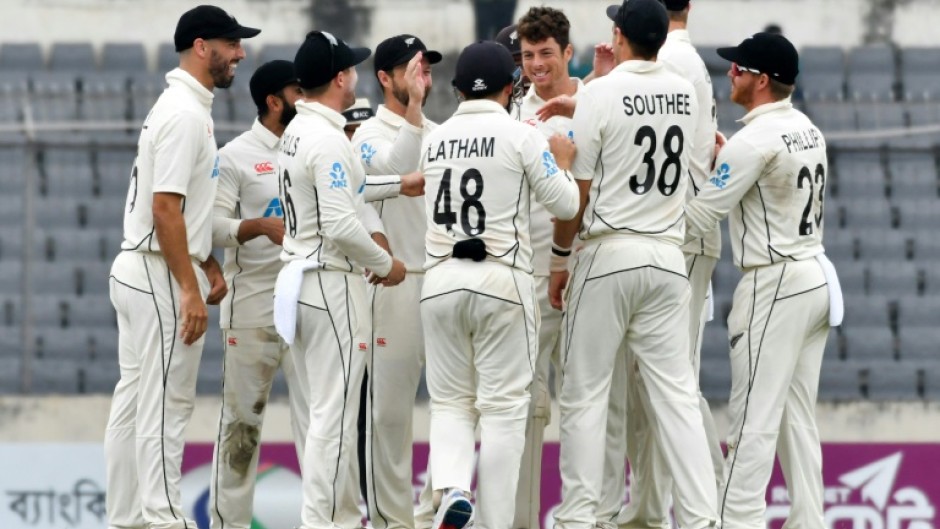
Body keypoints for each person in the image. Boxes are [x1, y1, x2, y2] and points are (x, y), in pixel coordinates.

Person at [549, 2, 719, 529]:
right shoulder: (685, 89)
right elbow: (699, 166)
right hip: (668, 255)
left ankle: (579, 515)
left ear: (619, 35)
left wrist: (559, 258)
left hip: (610, 250)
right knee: (676, 396)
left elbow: (576, 189)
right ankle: (700, 516)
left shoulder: (598, 92)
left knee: (585, 392)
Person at [104, 5, 258, 529]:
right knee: (167, 402)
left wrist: (207, 260)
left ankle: (128, 518)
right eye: (231, 43)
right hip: (156, 273)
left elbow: (179, 208)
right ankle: (165, 517)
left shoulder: (184, 106)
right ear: (201, 47)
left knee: (133, 402)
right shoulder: (185, 114)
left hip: (143, 266)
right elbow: (165, 208)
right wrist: (189, 287)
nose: (240, 52)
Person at [683, 32, 841, 529]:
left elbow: (699, 217)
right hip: (814, 275)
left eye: (739, 69)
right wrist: (731, 159)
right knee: (797, 417)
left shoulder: (753, 141)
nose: (730, 73)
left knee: (752, 420)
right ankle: (808, 521)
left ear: (762, 80)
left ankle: (738, 522)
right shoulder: (807, 129)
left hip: (774, 285)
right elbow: (763, 175)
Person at [420, 40, 579, 529]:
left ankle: (452, 489)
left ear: (458, 89)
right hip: (501, 278)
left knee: (450, 402)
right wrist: (564, 161)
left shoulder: (435, 139)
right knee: (505, 412)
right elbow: (566, 205)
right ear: (513, 86)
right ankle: (493, 522)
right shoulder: (521, 135)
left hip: (441, 278)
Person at [274, 30, 413, 529]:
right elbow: (340, 221)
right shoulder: (330, 138)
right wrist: (386, 266)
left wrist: (399, 183)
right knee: (332, 418)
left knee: (320, 415)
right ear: (338, 78)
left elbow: (344, 185)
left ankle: (325, 518)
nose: (356, 76)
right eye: (351, 69)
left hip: (299, 278)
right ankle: (324, 522)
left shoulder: (296, 130)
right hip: (329, 279)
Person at [616, 1, 723, 527]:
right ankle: (649, 509)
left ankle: (706, 507)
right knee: (658, 382)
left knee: (673, 383)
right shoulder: (689, 61)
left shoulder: (672, 65)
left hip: (675, 231)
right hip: (679, 234)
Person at [208, 59, 309, 529]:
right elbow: (209, 227)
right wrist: (254, 227)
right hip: (250, 312)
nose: (306, 98)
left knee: (319, 429)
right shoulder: (235, 156)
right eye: (297, 91)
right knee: (241, 432)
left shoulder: (313, 146)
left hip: (308, 309)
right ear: (274, 102)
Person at [350, 33, 442, 529]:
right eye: (412, 69)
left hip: (443, 281)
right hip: (393, 284)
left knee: (451, 404)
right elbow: (393, 169)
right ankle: (391, 520)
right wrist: (415, 112)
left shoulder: (441, 130)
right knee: (389, 414)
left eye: (426, 70)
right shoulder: (367, 133)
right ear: (385, 78)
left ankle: (434, 511)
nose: (421, 78)